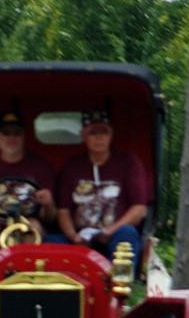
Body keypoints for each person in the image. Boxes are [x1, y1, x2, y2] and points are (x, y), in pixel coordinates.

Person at [55, 110, 147, 269]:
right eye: (93, 133)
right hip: (80, 236)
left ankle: (120, 287)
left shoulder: (128, 163)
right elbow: (63, 211)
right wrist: (73, 236)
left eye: (104, 132)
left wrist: (110, 230)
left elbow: (139, 209)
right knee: (51, 241)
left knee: (127, 234)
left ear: (111, 135)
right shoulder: (72, 166)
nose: (99, 137)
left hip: (114, 233)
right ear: (84, 136)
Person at [0, 111, 57, 265]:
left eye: (17, 133)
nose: (11, 138)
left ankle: (25, 275)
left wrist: (48, 203)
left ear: (24, 137)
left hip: (29, 221)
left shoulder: (41, 167)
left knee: (32, 227)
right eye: (6, 133)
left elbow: (51, 218)